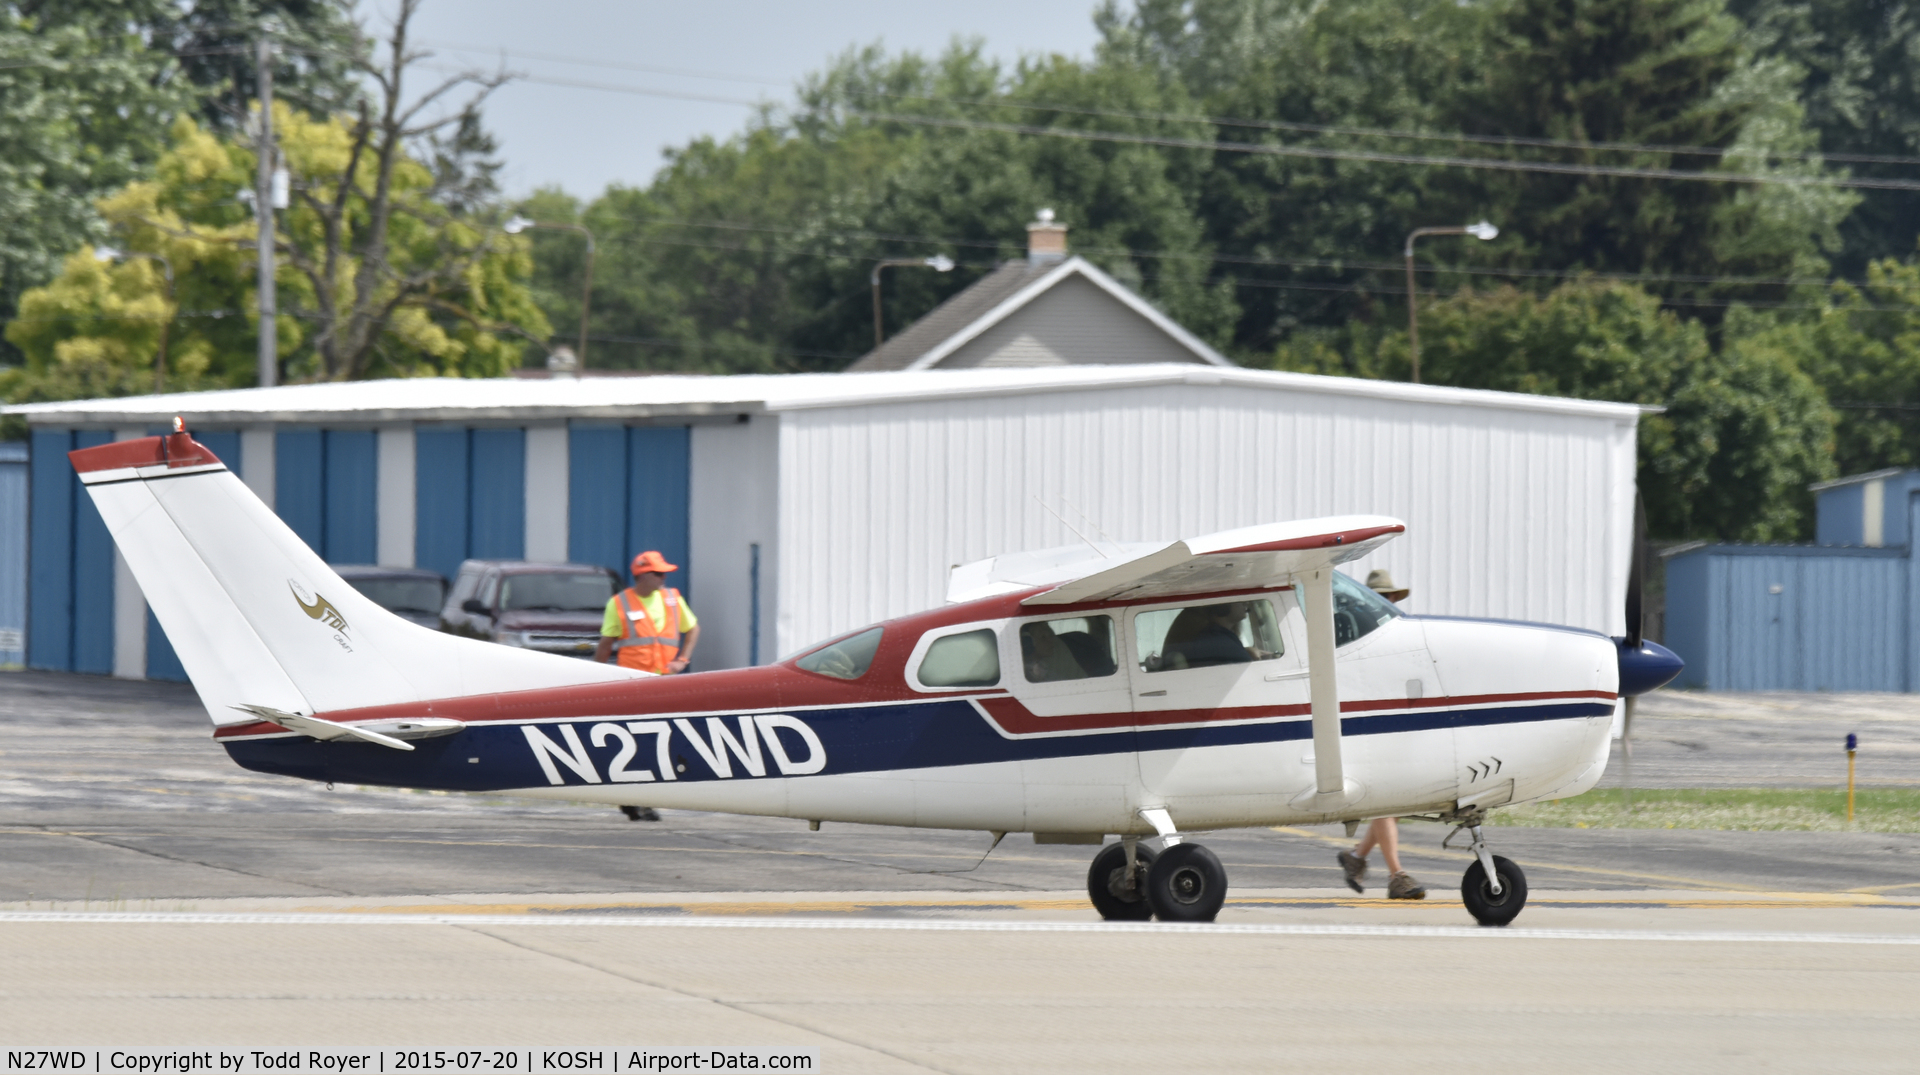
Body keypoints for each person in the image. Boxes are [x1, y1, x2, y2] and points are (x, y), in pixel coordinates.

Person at [1338, 569, 1426, 899]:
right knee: (1386, 800)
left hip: (1383, 719)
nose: (1388, 603)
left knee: (1391, 803)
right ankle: (1396, 875)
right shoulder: (1352, 629)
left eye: (1389, 599)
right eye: (1383, 598)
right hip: (1365, 720)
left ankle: (1357, 858)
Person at [594, 550, 700, 674]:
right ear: (643, 575)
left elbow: (693, 629)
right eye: (658, 573)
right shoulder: (619, 602)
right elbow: (606, 644)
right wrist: (597, 675)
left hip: (665, 677)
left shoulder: (673, 598)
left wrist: (682, 660)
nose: (664, 577)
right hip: (632, 678)